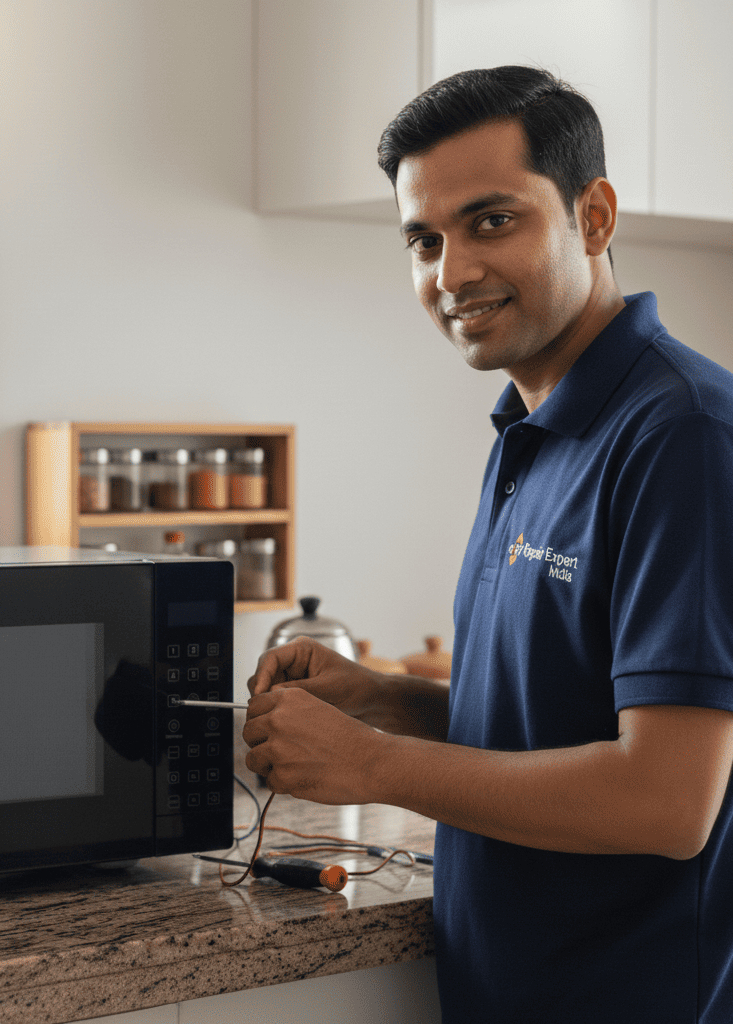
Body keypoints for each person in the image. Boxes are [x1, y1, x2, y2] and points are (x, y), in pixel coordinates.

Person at [243, 66, 733, 1022]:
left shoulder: (682, 435)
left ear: (592, 216)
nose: (450, 272)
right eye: (423, 239)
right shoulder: (529, 426)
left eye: (491, 221)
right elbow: (560, 720)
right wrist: (386, 703)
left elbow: (666, 802)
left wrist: (371, 765)